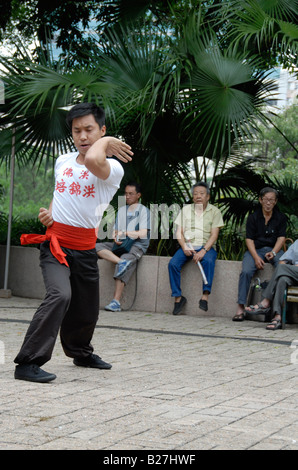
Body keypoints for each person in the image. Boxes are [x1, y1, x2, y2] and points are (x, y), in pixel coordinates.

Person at [14, 102, 133, 383]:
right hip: (56, 245)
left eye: (89, 130)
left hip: (85, 247)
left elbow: (94, 160)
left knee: (86, 307)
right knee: (60, 295)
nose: (82, 136)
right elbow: (59, 193)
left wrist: (103, 143)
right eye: (76, 130)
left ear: (102, 131)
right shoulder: (63, 161)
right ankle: (27, 362)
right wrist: (50, 214)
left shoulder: (113, 168)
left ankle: (81, 352)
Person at [168, 181, 224, 315]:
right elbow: (178, 232)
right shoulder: (186, 210)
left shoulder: (215, 212)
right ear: (192, 197)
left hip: (206, 247)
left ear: (208, 197)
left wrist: (204, 250)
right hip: (188, 246)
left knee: (209, 261)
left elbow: (214, 235)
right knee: (173, 264)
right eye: (195, 194)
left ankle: (205, 296)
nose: (198, 196)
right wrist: (184, 246)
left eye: (202, 194)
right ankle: (178, 298)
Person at [233, 187, 287, 322]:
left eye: (271, 200)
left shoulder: (281, 217)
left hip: (275, 249)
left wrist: (274, 252)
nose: (268, 203)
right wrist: (256, 257)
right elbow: (249, 240)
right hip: (255, 250)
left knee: (282, 268)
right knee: (246, 271)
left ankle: (276, 311)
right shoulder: (253, 217)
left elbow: (281, 238)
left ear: (275, 202)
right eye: (266, 200)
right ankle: (240, 308)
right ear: (260, 200)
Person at [96, 182, 150, 311]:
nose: (127, 196)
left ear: (138, 195)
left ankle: (116, 302)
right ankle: (121, 262)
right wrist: (116, 237)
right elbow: (115, 231)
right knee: (96, 246)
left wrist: (125, 233)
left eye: (131, 194)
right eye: (126, 193)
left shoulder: (144, 211)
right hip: (121, 243)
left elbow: (143, 233)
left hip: (137, 245)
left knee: (127, 257)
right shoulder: (122, 210)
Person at [244, 240, 298, 330]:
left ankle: (265, 302)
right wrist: (288, 269)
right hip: (294, 274)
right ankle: (277, 316)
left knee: (282, 269)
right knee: (282, 279)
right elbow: (282, 261)